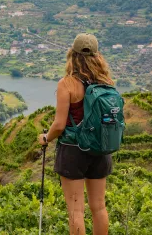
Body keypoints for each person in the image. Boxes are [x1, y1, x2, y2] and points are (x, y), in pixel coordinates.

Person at [38, 33, 114, 235]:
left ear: (72, 54)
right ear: (97, 56)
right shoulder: (106, 82)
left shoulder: (67, 84)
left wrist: (46, 138)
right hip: (101, 149)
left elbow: (59, 125)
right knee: (99, 207)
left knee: (76, 210)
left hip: (74, 151)